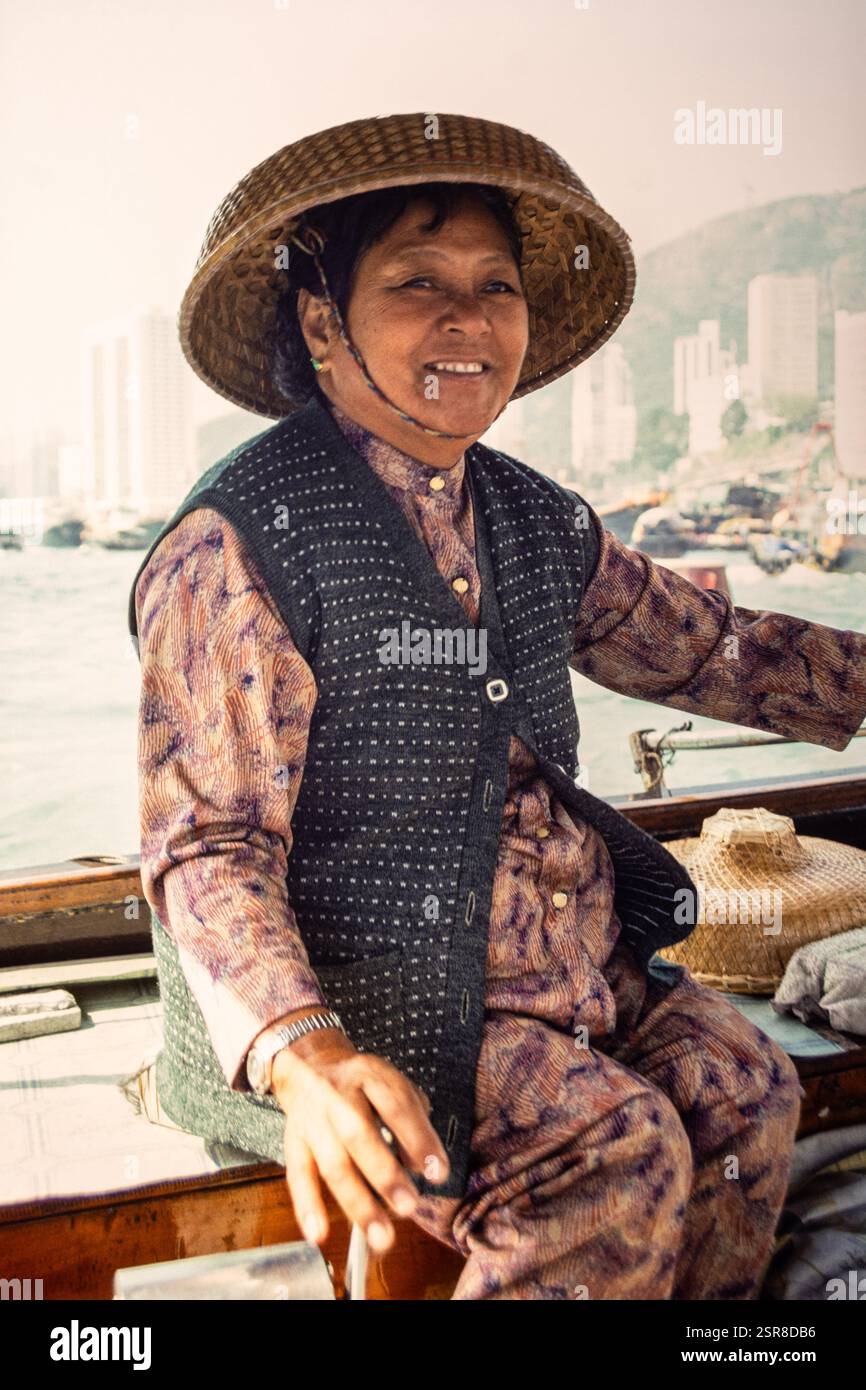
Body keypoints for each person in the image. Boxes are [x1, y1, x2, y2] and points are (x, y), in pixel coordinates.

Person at [128, 113, 866, 1299]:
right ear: (322, 324)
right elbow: (206, 846)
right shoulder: (238, 544)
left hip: (564, 974)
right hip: (359, 1012)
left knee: (746, 1088)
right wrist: (303, 1056)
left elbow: (712, 649)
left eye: (495, 286)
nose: (468, 319)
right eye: (418, 283)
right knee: (617, 1153)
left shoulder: (531, 517)